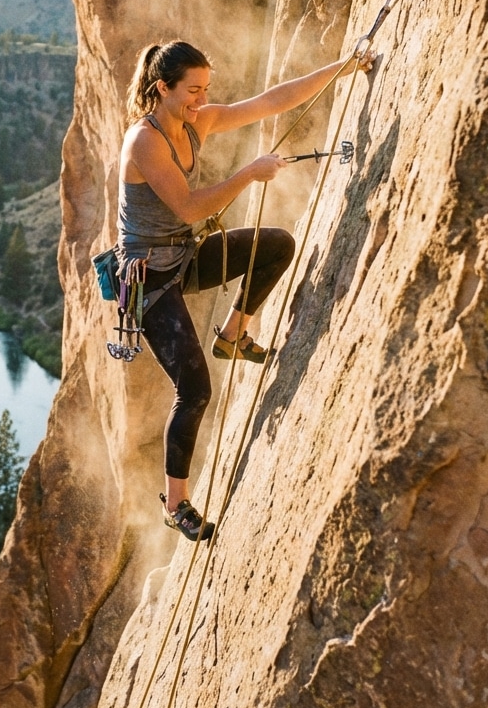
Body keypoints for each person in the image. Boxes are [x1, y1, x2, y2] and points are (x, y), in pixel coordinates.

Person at [116, 40, 375, 542]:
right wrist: (247, 175)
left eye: (206, 90)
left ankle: (233, 334)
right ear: (161, 88)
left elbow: (268, 102)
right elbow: (190, 209)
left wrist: (342, 67)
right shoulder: (143, 142)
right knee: (194, 390)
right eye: (192, 91)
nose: (201, 100)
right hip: (147, 279)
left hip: (183, 258)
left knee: (277, 245)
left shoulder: (195, 122)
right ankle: (176, 505)